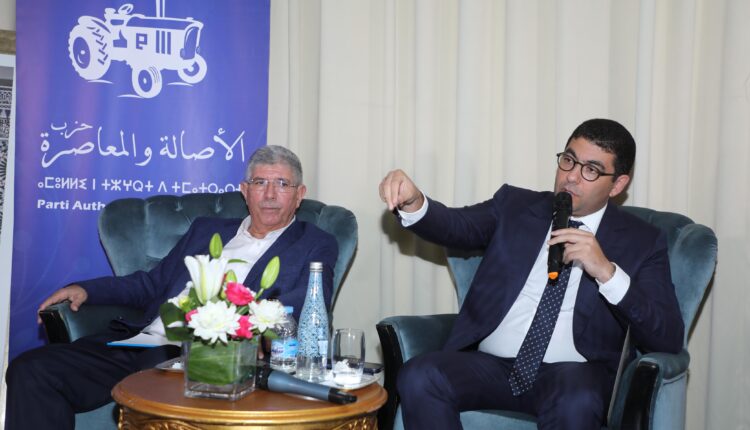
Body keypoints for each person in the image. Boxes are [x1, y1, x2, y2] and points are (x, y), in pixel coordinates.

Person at [5, 145, 338, 430]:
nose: (270, 194)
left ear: (299, 194)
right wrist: (86, 290)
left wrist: (260, 330)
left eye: (282, 184)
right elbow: (152, 283)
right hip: (141, 344)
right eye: (260, 182)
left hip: (210, 360)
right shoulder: (206, 230)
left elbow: (309, 303)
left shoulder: (314, 243)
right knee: (31, 370)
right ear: (244, 190)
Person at [378, 118, 684, 430]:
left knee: (576, 401)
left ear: (617, 185)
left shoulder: (642, 241)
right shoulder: (515, 206)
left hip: (574, 375)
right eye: (568, 160)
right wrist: (415, 202)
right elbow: (458, 226)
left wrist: (607, 272)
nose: (571, 177)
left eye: (591, 170)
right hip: (492, 366)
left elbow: (667, 336)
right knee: (420, 375)